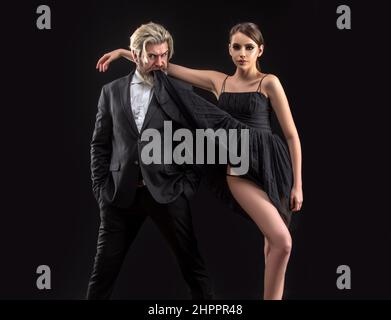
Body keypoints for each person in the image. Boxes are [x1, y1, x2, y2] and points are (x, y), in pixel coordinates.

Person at [97, 22, 303, 300]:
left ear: (260, 50)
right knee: (282, 242)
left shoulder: (269, 82)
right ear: (229, 50)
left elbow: (291, 135)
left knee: (272, 243)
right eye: (237, 47)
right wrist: (126, 52)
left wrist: (297, 185)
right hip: (238, 165)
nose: (243, 53)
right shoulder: (220, 81)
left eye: (249, 47)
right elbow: (165, 67)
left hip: (272, 164)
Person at [88, 22, 214, 300]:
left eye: (164, 55)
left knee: (193, 268)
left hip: (167, 192)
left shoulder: (180, 91)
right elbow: (99, 144)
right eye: (153, 56)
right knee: (102, 274)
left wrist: (187, 186)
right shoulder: (111, 92)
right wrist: (101, 189)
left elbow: (196, 139)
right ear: (136, 56)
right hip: (120, 195)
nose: (160, 62)